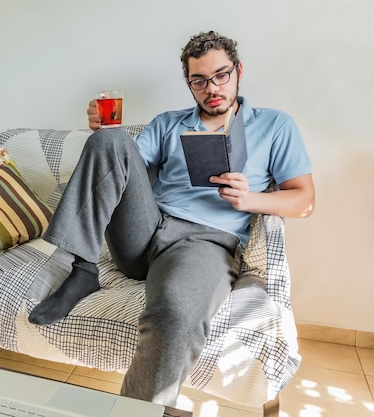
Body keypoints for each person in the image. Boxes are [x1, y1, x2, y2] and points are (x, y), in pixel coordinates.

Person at [28, 30, 315, 407]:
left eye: (221, 75)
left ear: (238, 71)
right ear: (189, 84)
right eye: (199, 80)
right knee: (110, 140)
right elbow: (124, 167)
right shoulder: (168, 123)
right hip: (146, 233)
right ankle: (83, 270)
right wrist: (105, 135)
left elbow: (304, 200)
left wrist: (251, 200)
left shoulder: (275, 125)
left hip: (205, 243)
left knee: (175, 318)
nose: (211, 88)